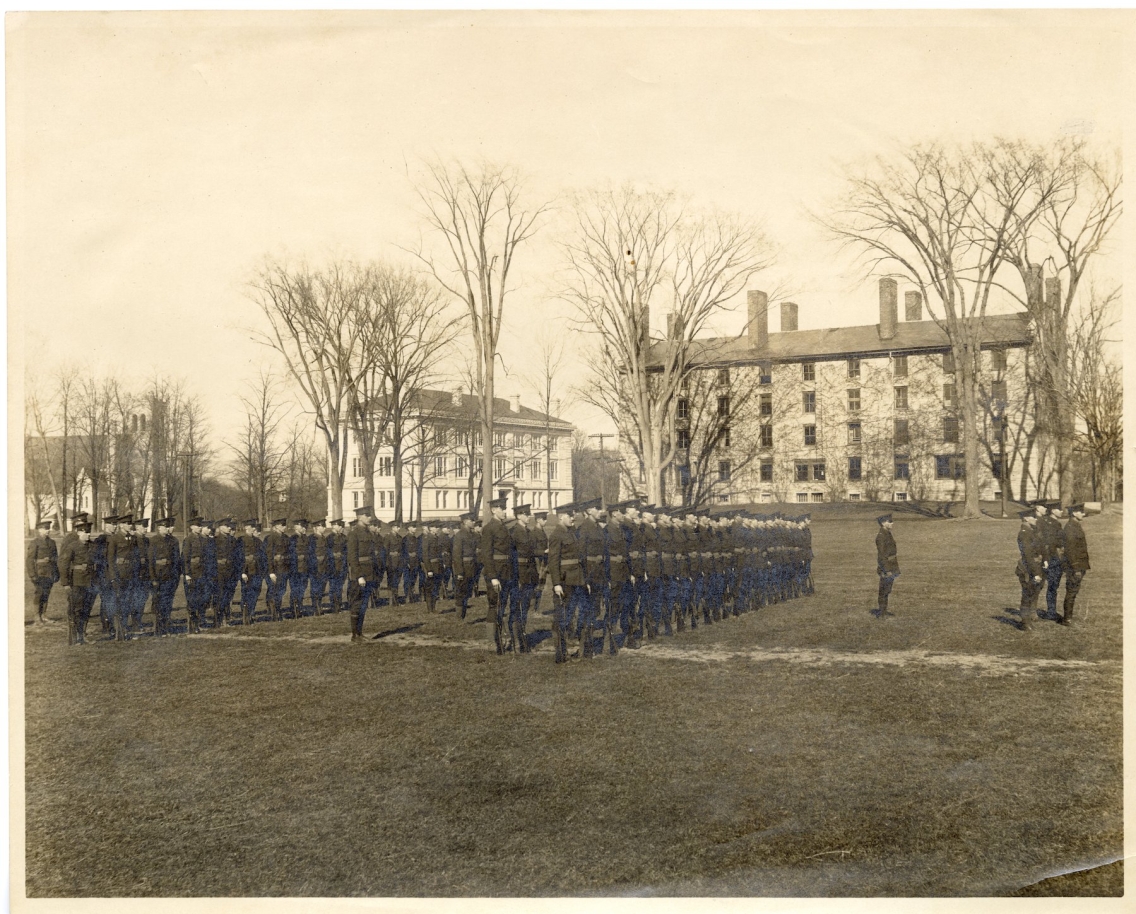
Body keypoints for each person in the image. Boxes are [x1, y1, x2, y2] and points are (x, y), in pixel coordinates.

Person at [546, 503, 586, 663]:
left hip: (576, 579)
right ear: (561, 516)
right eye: (570, 515)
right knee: (562, 617)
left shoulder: (572, 532)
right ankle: (560, 654)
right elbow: (553, 561)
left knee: (570, 616)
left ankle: (569, 649)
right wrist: (556, 583)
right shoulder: (556, 535)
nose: (573, 518)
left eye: (573, 515)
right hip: (564, 580)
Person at [480, 497, 516, 654]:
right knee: (495, 605)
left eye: (504, 508)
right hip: (496, 573)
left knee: (503, 606)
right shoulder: (489, 528)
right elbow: (486, 554)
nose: (504, 511)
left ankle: (500, 637)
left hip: (506, 572)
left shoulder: (503, 527)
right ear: (493, 510)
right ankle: (492, 641)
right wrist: (493, 576)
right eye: (501, 508)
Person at [59, 518, 97, 645]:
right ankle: (74, 637)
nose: (88, 534)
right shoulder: (72, 546)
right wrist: (65, 583)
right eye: (85, 532)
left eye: (89, 532)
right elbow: (64, 565)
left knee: (87, 608)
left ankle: (83, 635)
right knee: (76, 609)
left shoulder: (92, 546)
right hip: (77, 582)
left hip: (90, 582)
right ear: (79, 533)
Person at [347, 505, 382, 641]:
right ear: (359, 517)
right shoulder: (353, 533)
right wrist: (359, 575)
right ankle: (355, 635)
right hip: (360, 574)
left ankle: (360, 633)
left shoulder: (368, 533)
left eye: (369, 515)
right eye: (367, 515)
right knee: (357, 603)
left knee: (363, 604)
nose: (369, 518)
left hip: (369, 572)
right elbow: (352, 557)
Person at [509, 504, 540, 653]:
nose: (529, 517)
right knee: (518, 608)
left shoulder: (528, 532)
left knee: (525, 607)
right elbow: (511, 556)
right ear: (519, 516)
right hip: (519, 574)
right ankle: (517, 641)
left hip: (529, 573)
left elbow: (532, 552)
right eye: (526, 514)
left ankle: (521, 638)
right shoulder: (514, 533)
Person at [149, 517, 182, 636]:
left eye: (167, 527)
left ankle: (166, 627)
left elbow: (176, 560)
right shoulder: (153, 541)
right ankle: (158, 629)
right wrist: (153, 578)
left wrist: (176, 577)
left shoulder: (173, 541)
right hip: (158, 577)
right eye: (164, 527)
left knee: (167, 603)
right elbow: (150, 562)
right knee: (158, 604)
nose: (166, 529)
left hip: (170, 577)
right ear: (159, 528)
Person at [1060, 504, 1091, 626]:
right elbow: (1070, 550)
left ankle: (1068, 617)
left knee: (1074, 590)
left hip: (1079, 565)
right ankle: (1067, 619)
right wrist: (1075, 567)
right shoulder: (1070, 528)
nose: (1082, 514)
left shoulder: (1075, 526)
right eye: (1080, 512)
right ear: (1074, 514)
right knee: (1071, 591)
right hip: (1075, 566)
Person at [1015, 510, 1044, 631]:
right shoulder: (1024, 533)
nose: (1035, 519)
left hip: (1032, 566)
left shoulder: (1030, 531)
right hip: (1028, 568)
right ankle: (1024, 622)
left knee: (1031, 593)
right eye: (1033, 517)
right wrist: (1036, 572)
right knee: (1027, 594)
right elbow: (1027, 555)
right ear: (1026, 519)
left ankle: (1027, 619)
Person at [27, 519, 59, 624]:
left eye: (48, 529)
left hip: (50, 572)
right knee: (39, 593)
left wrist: (56, 572)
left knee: (46, 593)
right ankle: (37, 616)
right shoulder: (34, 543)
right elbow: (30, 559)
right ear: (39, 530)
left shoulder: (52, 542)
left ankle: (44, 615)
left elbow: (55, 558)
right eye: (45, 529)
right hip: (39, 572)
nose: (48, 531)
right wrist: (32, 575)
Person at [213, 518, 242, 627]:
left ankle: (226, 618)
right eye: (226, 526)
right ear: (220, 527)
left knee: (228, 596)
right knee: (219, 596)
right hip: (219, 572)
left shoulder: (232, 540)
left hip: (231, 572)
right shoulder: (214, 541)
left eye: (230, 526)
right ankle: (218, 620)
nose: (229, 528)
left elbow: (237, 557)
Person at [263, 518, 292, 622]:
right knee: (274, 591)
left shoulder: (286, 538)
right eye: (282, 525)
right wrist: (271, 572)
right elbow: (269, 555)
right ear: (276, 526)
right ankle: (273, 613)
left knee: (281, 590)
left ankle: (277, 611)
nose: (285, 527)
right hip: (275, 569)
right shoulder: (271, 538)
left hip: (284, 568)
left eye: (285, 525)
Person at [238, 519, 265, 625]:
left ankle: (252, 613)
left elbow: (262, 557)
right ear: (245, 528)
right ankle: (245, 615)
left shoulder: (258, 541)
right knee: (246, 593)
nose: (252, 529)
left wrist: (262, 571)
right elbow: (239, 558)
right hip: (247, 571)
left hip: (257, 571)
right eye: (249, 527)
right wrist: (242, 572)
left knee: (255, 593)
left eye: (253, 527)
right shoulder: (241, 541)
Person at [451, 514, 478, 619]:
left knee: (467, 591)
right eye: (472, 520)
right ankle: (459, 616)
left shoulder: (472, 534)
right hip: (463, 566)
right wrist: (459, 572)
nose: (474, 522)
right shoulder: (460, 535)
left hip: (471, 566)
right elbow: (457, 555)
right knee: (461, 591)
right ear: (465, 521)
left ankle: (463, 615)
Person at [875, 514, 899, 617]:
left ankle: (884, 611)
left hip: (892, 564)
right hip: (887, 566)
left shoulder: (887, 533)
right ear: (883, 523)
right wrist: (886, 569)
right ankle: (882, 613)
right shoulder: (881, 536)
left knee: (887, 589)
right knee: (884, 590)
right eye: (890, 521)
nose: (892, 523)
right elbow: (881, 555)